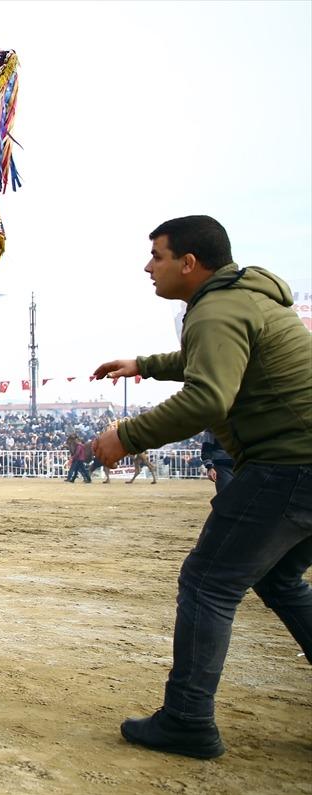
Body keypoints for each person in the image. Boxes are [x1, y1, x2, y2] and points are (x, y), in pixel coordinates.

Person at [91, 215, 311, 759]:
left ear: (189, 263)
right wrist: (143, 364)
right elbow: (207, 359)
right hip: (303, 461)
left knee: (208, 582)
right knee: (280, 578)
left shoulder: (214, 309)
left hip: (289, 463)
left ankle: (187, 719)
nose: (149, 267)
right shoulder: (243, 297)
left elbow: (209, 397)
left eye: (157, 256)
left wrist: (128, 436)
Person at [200, 430, 236, 494]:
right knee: (226, 495)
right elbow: (206, 448)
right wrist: (209, 467)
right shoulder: (212, 427)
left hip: (245, 465)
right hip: (222, 467)